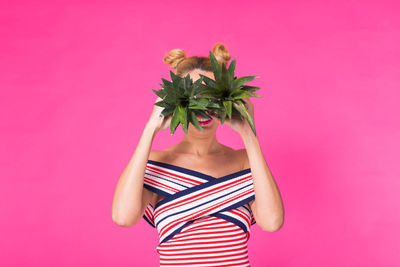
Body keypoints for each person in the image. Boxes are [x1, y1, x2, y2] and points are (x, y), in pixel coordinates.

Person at [111, 42, 284, 266]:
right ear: (175, 101)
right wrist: (150, 128)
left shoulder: (244, 161)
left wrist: (249, 132)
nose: (204, 108)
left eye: (212, 96)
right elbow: (123, 217)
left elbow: (272, 222)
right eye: (194, 97)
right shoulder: (156, 162)